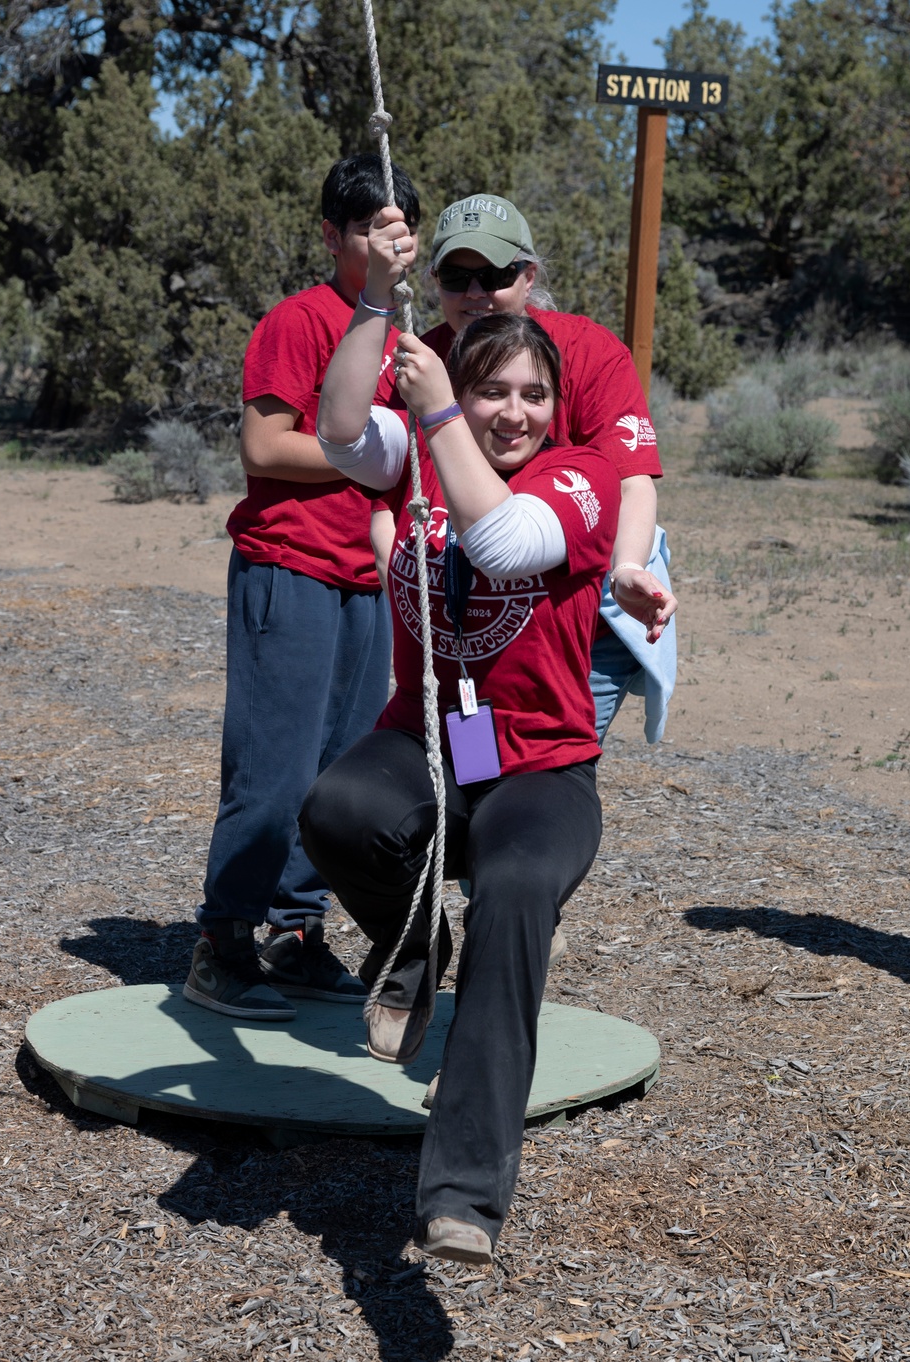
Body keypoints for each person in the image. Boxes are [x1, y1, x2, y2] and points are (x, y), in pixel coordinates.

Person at [299, 209, 670, 1264]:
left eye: (530, 395)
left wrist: (435, 422)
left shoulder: (578, 477)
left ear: (555, 408)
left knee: (513, 895)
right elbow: (334, 431)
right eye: (488, 392)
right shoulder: (415, 453)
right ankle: (416, 939)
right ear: (460, 394)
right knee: (338, 811)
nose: (510, 412)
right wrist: (374, 297)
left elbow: (502, 543)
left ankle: (464, 1188)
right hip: (437, 739)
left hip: (540, 768)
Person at [182, 155, 421, 1021]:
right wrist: (365, 445)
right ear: (332, 235)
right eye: (366, 229)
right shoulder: (300, 320)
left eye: (396, 231)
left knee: (336, 780)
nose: (382, 244)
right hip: (290, 570)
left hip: (371, 582)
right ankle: (223, 942)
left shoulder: (415, 338)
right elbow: (264, 450)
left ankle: (295, 932)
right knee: (273, 769)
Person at [420, 194, 677, 742]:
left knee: (542, 767)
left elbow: (631, 479)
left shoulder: (588, 351)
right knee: (470, 775)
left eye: (493, 275)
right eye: (455, 276)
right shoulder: (425, 361)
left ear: (528, 275)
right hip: (465, 617)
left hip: (582, 621)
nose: (474, 294)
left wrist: (626, 565)